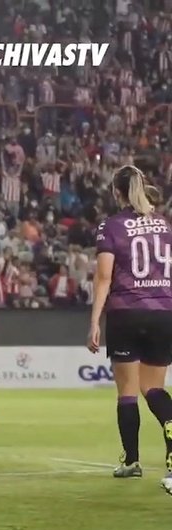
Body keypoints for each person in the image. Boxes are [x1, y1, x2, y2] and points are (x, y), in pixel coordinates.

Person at [86, 165, 172, 493]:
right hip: (164, 311)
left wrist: (95, 321)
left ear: (116, 192)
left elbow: (104, 277)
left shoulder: (111, 226)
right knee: (154, 389)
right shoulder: (164, 224)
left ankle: (131, 461)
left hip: (126, 312)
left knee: (127, 391)